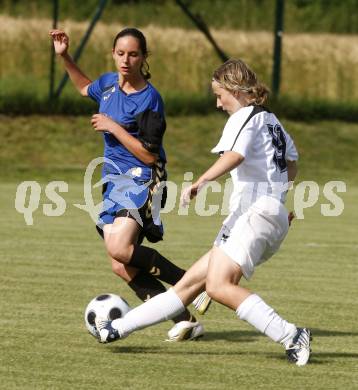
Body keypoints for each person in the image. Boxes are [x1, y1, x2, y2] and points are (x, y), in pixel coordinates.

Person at [95, 59, 312, 366]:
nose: (218, 102)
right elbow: (291, 164)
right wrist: (277, 201)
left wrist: (201, 181)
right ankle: (115, 329)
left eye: (219, 94)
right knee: (186, 288)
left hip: (254, 214)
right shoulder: (272, 120)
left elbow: (235, 155)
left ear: (234, 89)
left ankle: (290, 334)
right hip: (259, 215)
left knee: (219, 286)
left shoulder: (244, 117)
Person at [49, 27, 208, 341]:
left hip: (144, 178)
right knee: (121, 264)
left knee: (119, 248)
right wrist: (65, 56)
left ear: (144, 58)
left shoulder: (150, 100)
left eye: (133, 54)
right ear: (113, 53)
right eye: (120, 53)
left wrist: (114, 126)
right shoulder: (108, 84)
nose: (126, 60)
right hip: (113, 182)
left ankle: (195, 284)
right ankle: (186, 320)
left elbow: (149, 157)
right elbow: (84, 88)